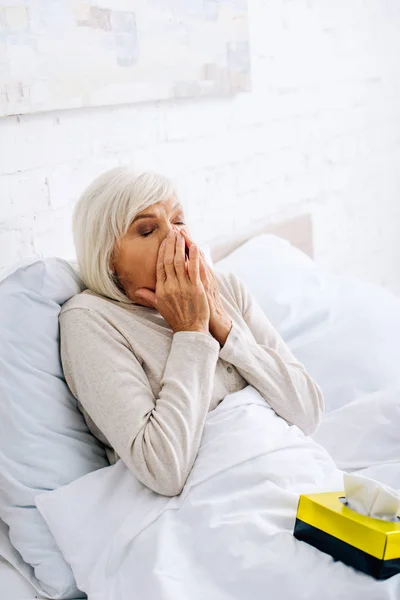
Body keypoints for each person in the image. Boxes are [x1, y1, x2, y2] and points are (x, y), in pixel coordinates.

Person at [59, 166, 324, 497]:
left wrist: (225, 329)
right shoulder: (90, 320)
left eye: (178, 221)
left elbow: (309, 413)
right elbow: (163, 470)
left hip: (293, 475)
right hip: (209, 504)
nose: (175, 237)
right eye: (146, 230)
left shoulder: (226, 290)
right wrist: (191, 332)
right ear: (108, 257)